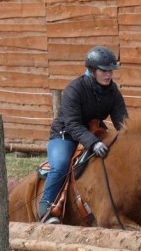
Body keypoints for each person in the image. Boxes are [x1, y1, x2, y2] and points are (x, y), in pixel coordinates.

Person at [39, 46, 128, 224]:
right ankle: (46, 207)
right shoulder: (75, 89)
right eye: (104, 71)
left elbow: (122, 121)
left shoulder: (112, 90)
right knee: (61, 165)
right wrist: (93, 144)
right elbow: (72, 124)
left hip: (94, 132)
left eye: (111, 71)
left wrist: (130, 141)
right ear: (92, 71)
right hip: (65, 135)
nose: (109, 75)